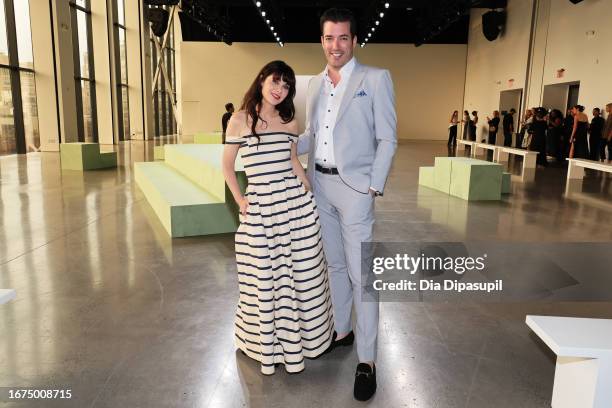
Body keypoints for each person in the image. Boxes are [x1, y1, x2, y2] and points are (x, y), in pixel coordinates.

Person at [297, 8, 397, 402]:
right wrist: (282, 143)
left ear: (354, 40)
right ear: (321, 41)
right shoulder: (316, 84)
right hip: (319, 185)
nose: (335, 46)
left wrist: (372, 187)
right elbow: (311, 133)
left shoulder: (374, 79)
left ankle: (368, 361)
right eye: (328, 38)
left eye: (342, 38)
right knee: (335, 265)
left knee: (363, 277)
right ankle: (342, 331)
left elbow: (388, 137)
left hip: (355, 190)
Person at [222, 61, 334, 376]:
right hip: (261, 207)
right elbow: (228, 167)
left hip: (295, 206)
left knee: (303, 274)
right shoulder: (239, 120)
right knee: (265, 277)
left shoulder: (289, 121)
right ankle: (266, 346)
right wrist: (240, 200)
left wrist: (307, 186)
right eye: (275, 81)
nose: (279, 89)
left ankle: (307, 342)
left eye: (286, 86)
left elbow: (292, 160)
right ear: (261, 79)